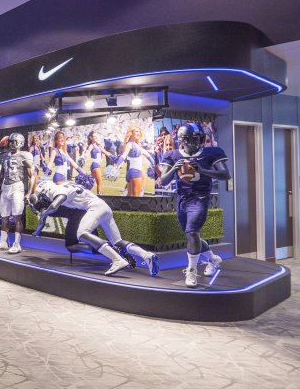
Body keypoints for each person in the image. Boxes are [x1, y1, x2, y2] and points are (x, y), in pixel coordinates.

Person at [30, 180, 159, 276]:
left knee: (81, 233)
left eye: (43, 196)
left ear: (45, 190)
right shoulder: (64, 185)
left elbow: (56, 203)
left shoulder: (55, 191)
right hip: (103, 206)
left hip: (95, 207)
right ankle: (147, 255)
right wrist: (37, 231)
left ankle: (117, 260)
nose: (44, 199)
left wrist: (46, 212)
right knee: (117, 241)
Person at [158, 123, 231, 287]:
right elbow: (164, 181)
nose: (197, 142)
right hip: (182, 199)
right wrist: (173, 169)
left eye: (198, 138)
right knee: (191, 236)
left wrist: (203, 170)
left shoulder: (211, 153)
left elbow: (226, 174)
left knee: (192, 233)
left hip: (200, 197)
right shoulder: (172, 155)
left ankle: (191, 271)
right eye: (193, 139)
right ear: (183, 140)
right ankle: (213, 259)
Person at [0, 133, 35, 254]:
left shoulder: (25, 155)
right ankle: (3, 242)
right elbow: (1, 175)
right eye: (10, 142)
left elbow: (33, 176)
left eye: (13, 142)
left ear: (20, 142)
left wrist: (29, 193)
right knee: (4, 217)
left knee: (17, 217)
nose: (10, 144)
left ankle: (17, 244)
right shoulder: (5, 156)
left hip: (17, 187)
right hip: (6, 187)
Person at [114, 125, 152, 197]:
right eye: (136, 131)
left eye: (139, 131)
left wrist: (154, 165)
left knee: (129, 195)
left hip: (131, 172)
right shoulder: (130, 144)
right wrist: (117, 165)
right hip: (136, 172)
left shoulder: (137, 145)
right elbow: (123, 155)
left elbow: (148, 155)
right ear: (131, 133)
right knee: (136, 197)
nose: (138, 133)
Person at [82, 130, 105, 195]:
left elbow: (104, 151)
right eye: (94, 136)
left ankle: (83, 194)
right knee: (99, 183)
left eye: (97, 136)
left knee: (89, 183)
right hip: (95, 165)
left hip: (96, 165)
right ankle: (100, 197)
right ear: (91, 137)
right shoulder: (91, 145)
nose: (96, 137)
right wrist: (84, 158)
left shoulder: (99, 145)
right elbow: (87, 152)